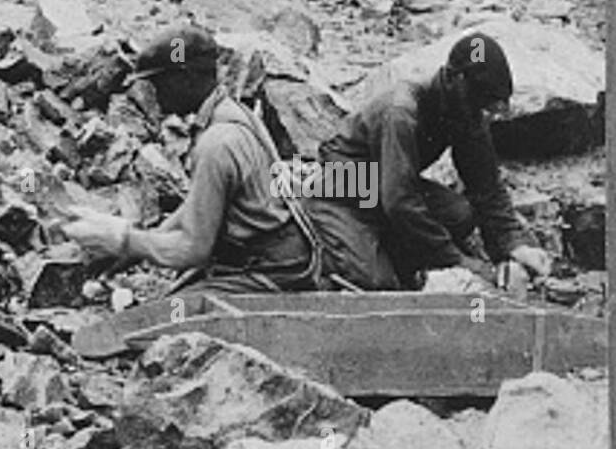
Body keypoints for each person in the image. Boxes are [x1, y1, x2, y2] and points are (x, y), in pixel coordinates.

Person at [64, 24, 333, 293]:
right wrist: (136, 248)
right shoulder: (233, 112)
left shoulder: (217, 144)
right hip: (283, 256)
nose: (154, 93)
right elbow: (198, 206)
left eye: (159, 82)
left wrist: (124, 239)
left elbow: (192, 250)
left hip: (272, 269)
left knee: (163, 322)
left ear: (186, 78)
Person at [314, 32, 552, 291]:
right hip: (345, 187)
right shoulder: (401, 112)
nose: (485, 111)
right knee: (377, 282)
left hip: (386, 183)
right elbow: (401, 202)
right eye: (482, 100)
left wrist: (515, 245)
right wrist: (464, 264)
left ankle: (395, 247)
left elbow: (487, 188)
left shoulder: (464, 108)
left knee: (461, 215)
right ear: (456, 79)